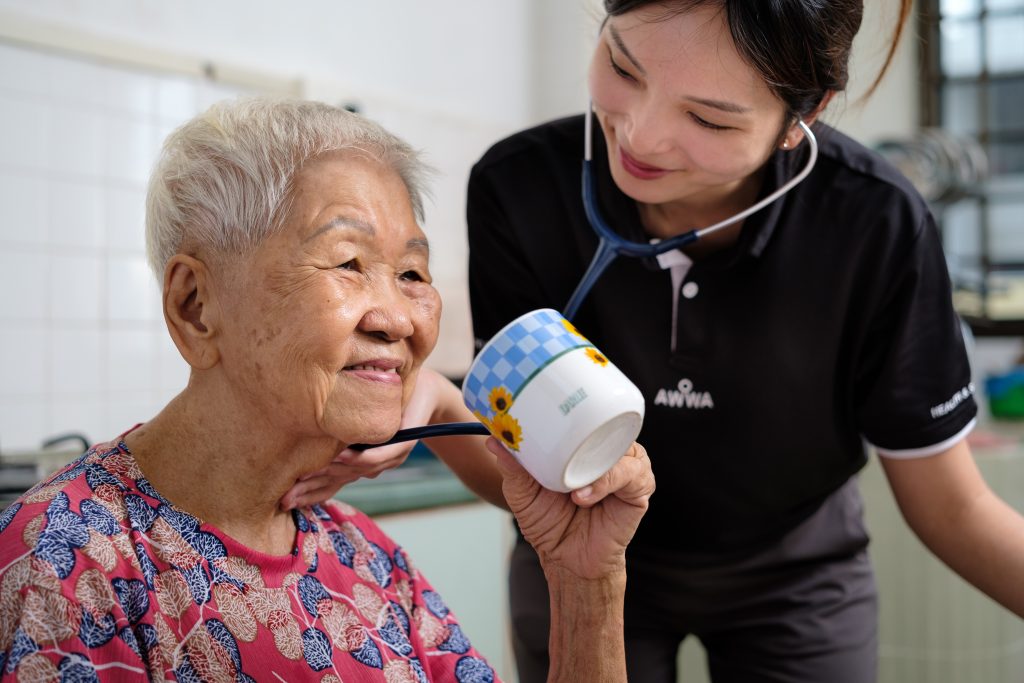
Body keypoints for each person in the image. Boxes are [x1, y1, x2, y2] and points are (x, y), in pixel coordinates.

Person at [286, 1, 1024, 681]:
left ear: (806, 114)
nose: (639, 134)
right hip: (577, 550)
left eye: (710, 119)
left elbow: (954, 509)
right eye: (624, 67)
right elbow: (526, 473)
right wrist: (441, 400)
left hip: (796, 569)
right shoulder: (521, 189)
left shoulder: (875, 226)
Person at [0, 98, 655, 682]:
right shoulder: (61, 565)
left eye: (411, 272)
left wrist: (584, 584)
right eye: (348, 263)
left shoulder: (368, 559)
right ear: (197, 305)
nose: (399, 318)